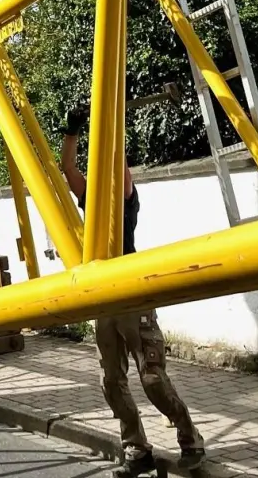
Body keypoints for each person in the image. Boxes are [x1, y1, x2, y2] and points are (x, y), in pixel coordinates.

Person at [59, 101, 205, 475]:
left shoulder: (125, 198)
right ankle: (136, 449)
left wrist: (108, 124)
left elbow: (118, 164)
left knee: (152, 377)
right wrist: (73, 130)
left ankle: (190, 439)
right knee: (112, 381)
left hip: (133, 295)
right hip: (104, 297)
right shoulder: (88, 196)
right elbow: (68, 168)